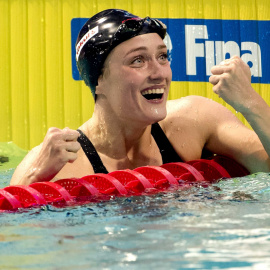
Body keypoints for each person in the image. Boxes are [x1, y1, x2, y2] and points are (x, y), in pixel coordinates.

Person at [10, 9, 270, 186]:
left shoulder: (194, 120)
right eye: (138, 60)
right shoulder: (65, 165)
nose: (159, 73)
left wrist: (249, 101)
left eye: (162, 57)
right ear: (98, 78)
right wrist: (33, 178)